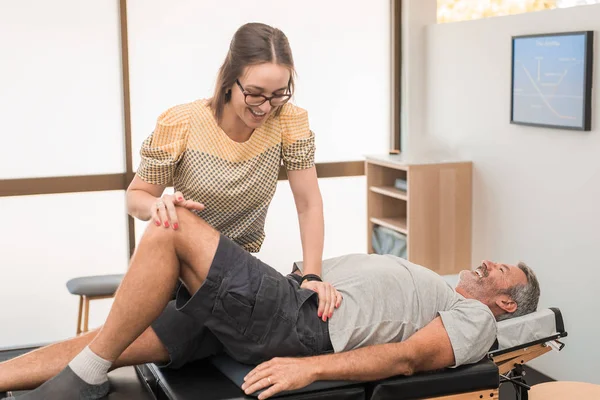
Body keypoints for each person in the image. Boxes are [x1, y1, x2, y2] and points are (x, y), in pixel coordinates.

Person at [0, 208, 540, 400]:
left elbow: (408, 359)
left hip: (298, 323)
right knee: (114, 336)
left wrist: (310, 368)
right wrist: (312, 275)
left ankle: (80, 381)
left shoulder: (473, 317)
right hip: (290, 294)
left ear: (506, 306)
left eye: (500, 273)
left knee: (171, 226)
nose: (488, 264)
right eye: (493, 261)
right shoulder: (436, 282)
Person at [126, 21, 342, 323]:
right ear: (230, 80)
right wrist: (156, 205)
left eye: (279, 94)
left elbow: (308, 204)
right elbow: (135, 197)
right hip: (172, 269)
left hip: (233, 273)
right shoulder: (183, 123)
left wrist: (312, 275)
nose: (265, 107)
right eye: (255, 93)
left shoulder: (288, 122)